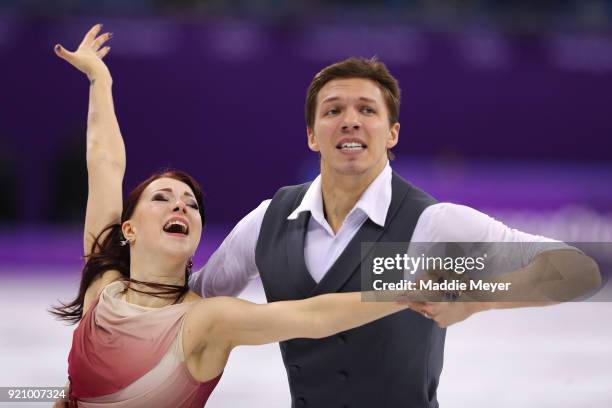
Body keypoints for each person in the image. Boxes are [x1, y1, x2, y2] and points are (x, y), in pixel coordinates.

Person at [189, 53, 601, 406]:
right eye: (333, 110)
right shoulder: (269, 221)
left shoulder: (432, 224)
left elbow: (577, 271)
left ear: (392, 133)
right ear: (312, 136)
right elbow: (193, 303)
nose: (350, 121)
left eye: (367, 110)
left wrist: (474, 298)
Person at [51, 24, 420, 408]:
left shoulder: (207, 320)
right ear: (129, 228)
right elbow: (105, 164)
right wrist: (100, 79)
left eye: (191, 204)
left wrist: (410, 291)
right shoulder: (102, 288)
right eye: (162, 198)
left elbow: (313, 316)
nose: (180, 206)